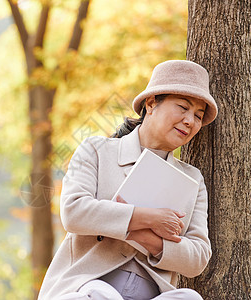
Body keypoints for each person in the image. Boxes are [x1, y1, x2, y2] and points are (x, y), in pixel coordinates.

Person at [37, 60, 218, 300]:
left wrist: (140, 235)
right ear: (151, 103)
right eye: (183, 107)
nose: (190, 121)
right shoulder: (96, 150)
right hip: (87, 287)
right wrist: (149, 218)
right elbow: (73, 211)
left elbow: (198, 256)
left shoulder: (192, 179)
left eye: (198, 115)